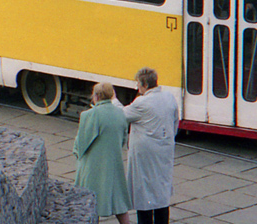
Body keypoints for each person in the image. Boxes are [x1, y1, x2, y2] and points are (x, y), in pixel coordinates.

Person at [123, 67, 180, 224]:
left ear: (145, 85)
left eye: (138, 84)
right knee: (161, 191)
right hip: (164, 151)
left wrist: (112, 100)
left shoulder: (141, 103)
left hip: (145, 156)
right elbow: (175, 122)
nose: (137, 88)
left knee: (144, 193)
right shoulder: (169, 97)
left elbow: (121, 115)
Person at [74, 82, 133, 224]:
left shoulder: (90, 115)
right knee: (118, 202)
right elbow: (123, 140)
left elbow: (81, 144)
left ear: (97, 96)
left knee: (89, 201)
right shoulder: (120, 113)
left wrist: (76, 152)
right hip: (113, 163)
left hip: (93, 165)